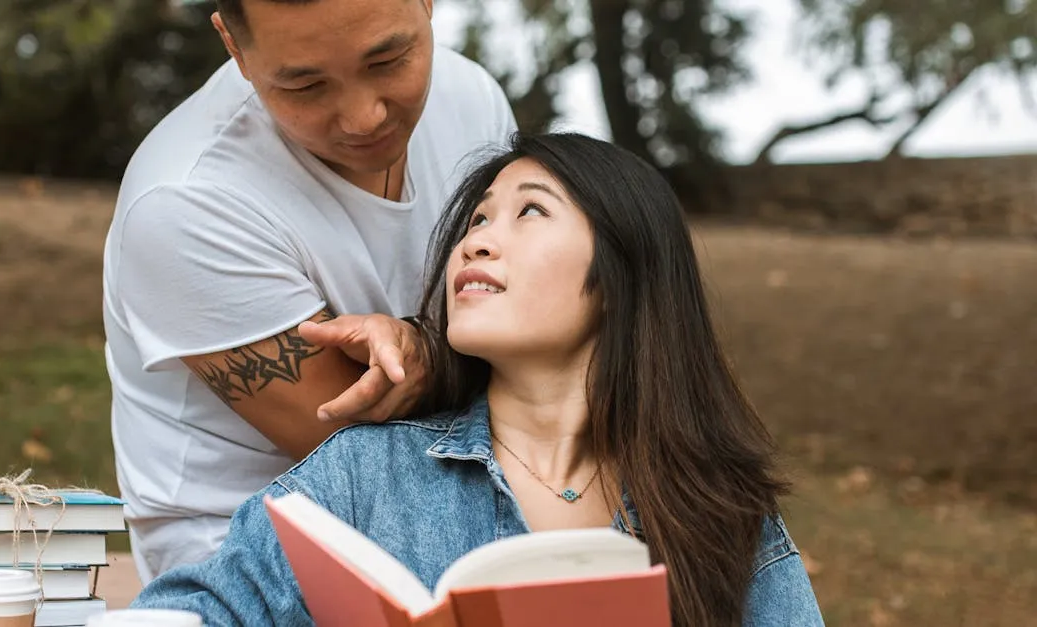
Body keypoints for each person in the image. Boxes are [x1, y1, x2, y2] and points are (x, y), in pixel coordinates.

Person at [128, 132, 826, 626]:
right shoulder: (362, 477)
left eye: (531, 210)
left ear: (620, 273)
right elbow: (189, 615)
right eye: (477, 218)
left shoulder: (720, 512)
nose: (478, 239)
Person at [100, 0, 517, 582]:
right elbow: (380, 466)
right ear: (234, 46)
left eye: (389, 60)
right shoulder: (185, 201)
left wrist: (428, 354)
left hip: (485, 505)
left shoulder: (471, 99)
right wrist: (474, 360)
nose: (364, 117)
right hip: (252, 562)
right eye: (306, 85)